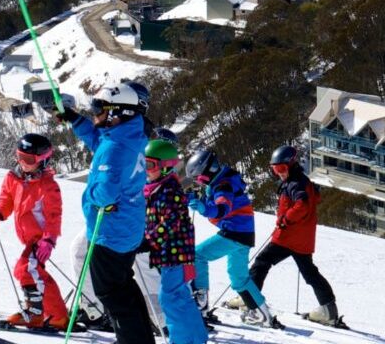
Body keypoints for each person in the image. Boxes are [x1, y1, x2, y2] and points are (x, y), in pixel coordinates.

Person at [53, 79, 152, 342]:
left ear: (119, 112)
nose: (95, 114)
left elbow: (105, 192)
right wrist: (74, 118)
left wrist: (92, 197)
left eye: (100, 109)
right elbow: (98, 140)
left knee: (111, 293)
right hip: (127, 228)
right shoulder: (131, 133)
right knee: (123, 287)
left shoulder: (116, 147)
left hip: (110, 232)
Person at [248, 144, 342, 328]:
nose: (279, 173)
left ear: (291, 165)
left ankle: (251, 302)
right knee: (309, 273)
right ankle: (328, 309)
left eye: (282, 168)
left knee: (261, 263)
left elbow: (302, 205)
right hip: (302, 238)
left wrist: (285, 219)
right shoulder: (300, 181)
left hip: (288, 236)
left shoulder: (296, 183)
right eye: (275, 170)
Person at [0, 132, 69, 330]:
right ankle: (54, 314)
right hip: (29, 239)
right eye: (19, 156)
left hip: (40, 240)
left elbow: (54, 216)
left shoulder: (48, 186)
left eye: (28, 159)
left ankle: (37, 314)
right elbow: (6, 200)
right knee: (33, 272)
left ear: (42, 160)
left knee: (26, 270)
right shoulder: (13, 177)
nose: (22, 162)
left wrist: (48, 240)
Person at [186, 149, 269, 326]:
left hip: (234, 233)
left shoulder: (223, 185)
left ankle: (201, 306)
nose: (200, 183)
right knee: (238, 277)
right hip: (243, 234)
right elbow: (215, 200)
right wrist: (201, 200)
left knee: (198, 255)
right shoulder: (222, 181)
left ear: (209, 171)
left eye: (200, 179)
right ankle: (263, 314)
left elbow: (222, 208)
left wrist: (203, 208)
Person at [141, 139, 210, 344]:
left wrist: (149, 240)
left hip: (175, 253)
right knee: (179, 297)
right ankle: (196, 339)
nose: (146, 170)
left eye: (150, 165)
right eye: (144, 164)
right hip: (169, 253)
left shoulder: (170, 190)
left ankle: (181, 340)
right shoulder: (156, 188)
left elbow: (171, 220)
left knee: (169, 298)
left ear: (165, 167)